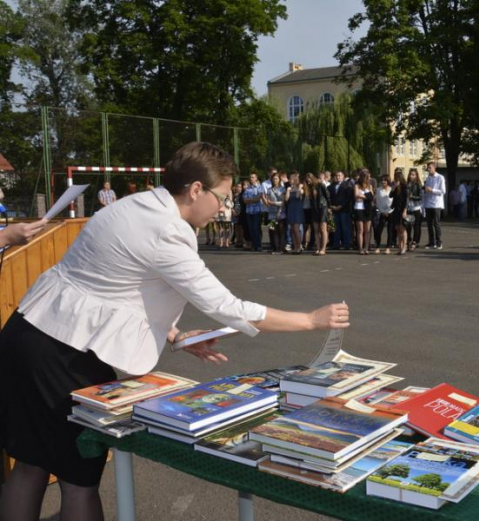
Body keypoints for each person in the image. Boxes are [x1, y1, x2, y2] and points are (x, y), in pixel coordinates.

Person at [0, 142, 350, 521]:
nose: (224, 207)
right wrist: (310, 320)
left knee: (31, 464)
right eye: (222, 197)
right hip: (62, 355)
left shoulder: (133, 206)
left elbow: (118, 284)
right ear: (196, 189)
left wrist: (174, 334)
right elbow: (227, 308)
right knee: (78, 479)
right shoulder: (167, 231)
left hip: (26, 331)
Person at [328, 171, 353, 251]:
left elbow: (348, 198)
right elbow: (329, 197)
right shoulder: (331, 186)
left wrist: (341, 206)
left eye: (339, 175)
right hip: (334, 209)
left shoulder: (347, 185)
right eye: (336, 175)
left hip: (344, 210)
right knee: (336, 228)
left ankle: (347, 244)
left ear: (343, 177)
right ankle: (336, 244)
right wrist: (331, 206)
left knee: (345, 227)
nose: (337, 177)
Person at [423, 162, 446, 249]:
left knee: (436, 224)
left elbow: (443, 191)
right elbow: (426, 190)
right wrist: (425, 191)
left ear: (434, 168)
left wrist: (432, 190)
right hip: (428, 203)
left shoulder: (440, 177)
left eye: (430, 167)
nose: (428, 169)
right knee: (429, 224)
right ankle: (431, 242)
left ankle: (439, 242)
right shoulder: (428, 178)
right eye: (428, 168)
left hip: (436, 204)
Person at [264, 172, 286, 254]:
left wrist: (274, 203)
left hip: (281, 212)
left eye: (276, 179)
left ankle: (281, 248)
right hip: (271, 214)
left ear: (279, 179)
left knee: (281, 230)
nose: (275, 180)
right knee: (273, 230)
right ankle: (275, 248)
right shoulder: (269, 190)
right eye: (273, 179)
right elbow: (268, 201)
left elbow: (283, 202)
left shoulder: (282, 189)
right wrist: (272, 203)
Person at [310, 174, 331, 256]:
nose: (309, 181)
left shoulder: (321, 185)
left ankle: (323, 248)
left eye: (310, 179)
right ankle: (318, 248)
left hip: (322, 207)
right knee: (316, 230)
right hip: (314, 209)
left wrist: (329, 207)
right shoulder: (310, 187)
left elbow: (327, 196)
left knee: (323, 229)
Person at [354, 170, 374, 255]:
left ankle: (366, 247)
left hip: (368, 209)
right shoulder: (357, 186)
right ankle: (360, 248)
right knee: (360, 230)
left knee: (367, 230)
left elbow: (372, 197)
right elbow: (356, 196)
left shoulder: (370, 186)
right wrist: (367, 196)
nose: (370, 178)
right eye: (368, 177)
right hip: (359, 208)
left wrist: (362, 196)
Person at [285, 172, 305, 254]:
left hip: (297, 210)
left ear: (295, 180)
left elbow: (297, 196)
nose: (289, 180)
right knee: (292, 229)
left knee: (296, 229)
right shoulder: (289, 188)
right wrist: (288, 191)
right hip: (291, 209)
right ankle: (296, 247)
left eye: (291, 179)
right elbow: (286, 199)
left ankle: (299, 246)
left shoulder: (301, 187)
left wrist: (299, 188)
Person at [243, 172, 263, 252]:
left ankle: (258, 245)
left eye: (253, 177)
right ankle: (254, 245)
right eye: (250, 177)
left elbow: (258, 198)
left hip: (256, 211)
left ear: (256, 178)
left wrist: (250, 200)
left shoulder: (259, 187)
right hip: (249, 211)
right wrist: (252, 200)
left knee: (255, 228)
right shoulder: (247, 188)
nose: (251, 179)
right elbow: (244, 200)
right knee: (251, 229)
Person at [374, 174, 394, 255]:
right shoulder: (379, 190)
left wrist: (389, 211)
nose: (383, 182)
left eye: (385, 180)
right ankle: (377, 246)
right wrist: (382, 211)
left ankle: (388, 247)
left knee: (390, 230)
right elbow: (377, 202)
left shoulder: (392, 189)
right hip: (382, 212)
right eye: (382, 180)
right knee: (379, 230)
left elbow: (393, 202)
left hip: (391, 211)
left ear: (388, 181)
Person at [390, 169, 409, 255]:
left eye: (396, 178)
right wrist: (393, 188)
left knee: (402, 228)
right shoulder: (395, 187)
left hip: (402, 209)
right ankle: (400, 247)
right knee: (397, 229)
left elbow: (406, 199)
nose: (395, 180)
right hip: (396, 209)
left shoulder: (404, 187)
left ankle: (404, 246)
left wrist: (405, 211)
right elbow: (390, 195)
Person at [406, 168, 423, 251]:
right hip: (408, 207)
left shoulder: (418, 184)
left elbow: (420, 196)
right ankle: (408, 240)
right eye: (410, 174)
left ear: (416, 176)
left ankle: (415, 242)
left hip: (416, 207)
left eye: (413, 175)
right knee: (408, 225)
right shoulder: (407, 184)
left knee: (416, 226)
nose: (411, 176)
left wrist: (412, 197)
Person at [231, 183, 244, 248]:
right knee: (236, 227)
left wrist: (239, 212)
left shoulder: (242, 195)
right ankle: (237, 240)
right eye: (237, 187)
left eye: (239, 187)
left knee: (241, 227)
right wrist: (232, 210)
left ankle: (241, 241)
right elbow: (231, 203)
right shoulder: (234, 196)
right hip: (234, 212)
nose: (238, 188)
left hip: (240, 213)